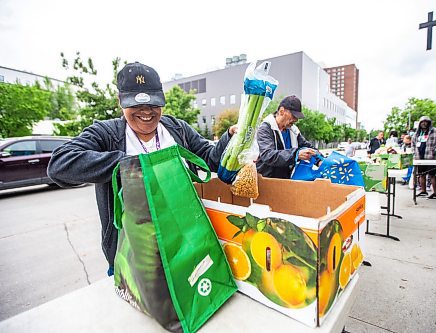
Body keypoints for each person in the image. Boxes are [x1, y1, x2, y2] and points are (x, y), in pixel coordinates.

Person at [48, 62, 236, 275]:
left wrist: (230, 137)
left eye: (153, 104)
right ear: (120, 101)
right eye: (136, 104)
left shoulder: (177, 129)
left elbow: (210, 159)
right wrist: (132, 164)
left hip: (184, 246)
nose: (146, 112)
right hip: (132, 258)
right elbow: (60, 164)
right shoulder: (106, 134)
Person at [256, 95, 317, 179]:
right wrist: (296, 154)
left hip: (285, 180)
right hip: (267, 180)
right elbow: (268, 155)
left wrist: (319, 160)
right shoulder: (265, 129)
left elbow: (307, 146)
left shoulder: (293, 130)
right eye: (293, 116)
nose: (296, 120)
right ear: (282, 111)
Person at [411, 115, 436, 199]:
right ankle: (423, 191)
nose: (424, 123)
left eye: (425, 121)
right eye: (422, 122)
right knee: (421, 175)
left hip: (431, 158)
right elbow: (413, 144)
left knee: (432, 175)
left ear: (429, 123)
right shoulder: (417, 134)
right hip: (420, 158)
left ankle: (435, 193)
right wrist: (414, 153)